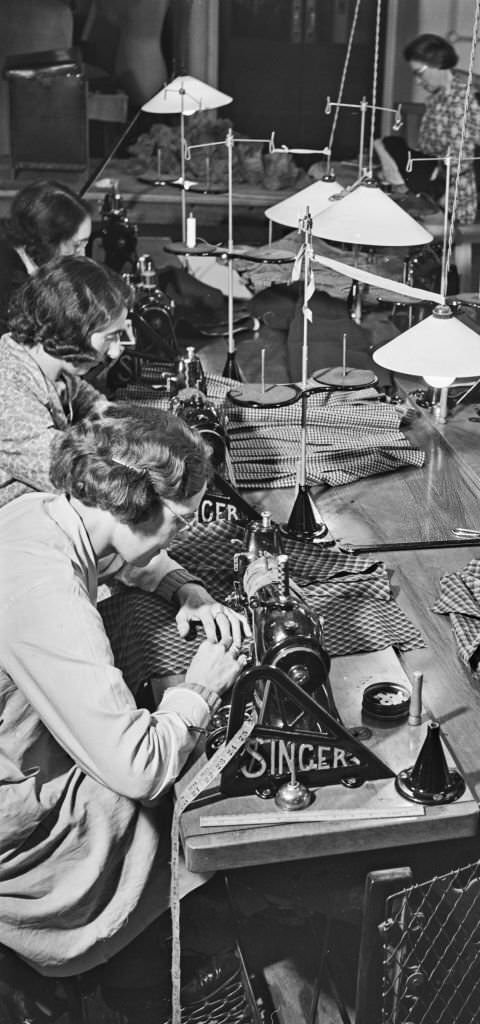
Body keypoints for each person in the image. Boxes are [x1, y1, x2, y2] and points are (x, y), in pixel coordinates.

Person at [0, 405, 249, 1004]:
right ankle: (151, 974)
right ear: (137, 505)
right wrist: (201, 688)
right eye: (181, 520)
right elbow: (139, 769)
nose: (184, 532)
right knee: (197, 806)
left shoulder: (41, 513)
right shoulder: (47, 594)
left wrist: (181, 586)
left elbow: (115, 553)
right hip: (15, 816)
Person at [0, 256, 134, 507]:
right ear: (71, 328)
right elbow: (78, 478)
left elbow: (94, 405)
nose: (116, 352)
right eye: (110, 337)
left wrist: (144, 430)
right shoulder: (6, 393)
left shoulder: (49, 366)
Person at [376, 33, 480, 224]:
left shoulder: (460, 100)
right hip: (430, 179)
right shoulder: (436, 98)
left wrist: (430, 193)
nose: (418, 81)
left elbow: (461, 162)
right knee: (386, 144)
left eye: (419, 72)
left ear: (438, 64)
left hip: (448, 195)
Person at [0, 180, 92, 332]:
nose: (82, 256)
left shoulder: (31, 256)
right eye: (76, 246)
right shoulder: (12, 285)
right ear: (48, 240)